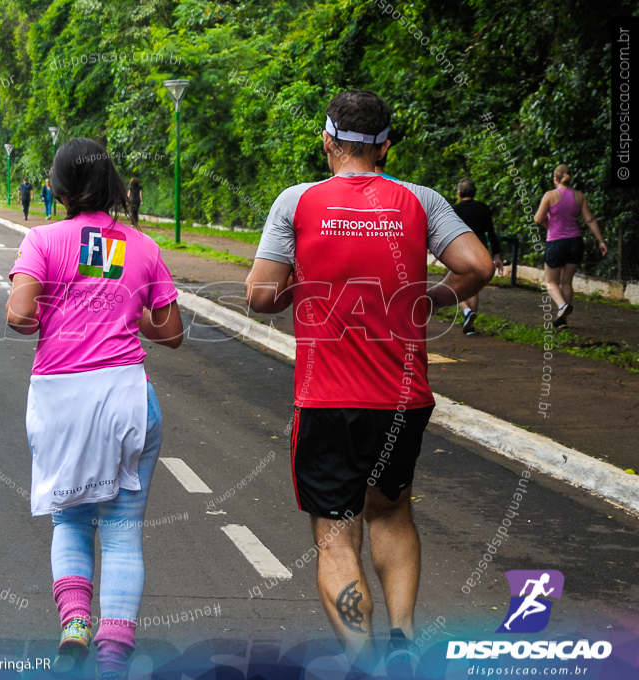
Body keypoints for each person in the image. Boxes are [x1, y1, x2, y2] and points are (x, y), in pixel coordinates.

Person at [246, 90, 494, 676]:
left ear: (327, 141)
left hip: (327, 396)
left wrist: (299, 291)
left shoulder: (298, 202)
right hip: (403, 397)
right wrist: (429, 299)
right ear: (385, 146)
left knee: (335, 535)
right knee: (392, 512)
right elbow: (478, 266)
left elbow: (259, 296)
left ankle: (363, 660)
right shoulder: (419, 200)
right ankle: (404, 639)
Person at [5, 138, 183, 680]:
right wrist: (128, 317)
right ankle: (113, 656)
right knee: (124, 528)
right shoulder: (142, 246)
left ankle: (75, 625)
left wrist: (52, 315)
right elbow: (170, 332)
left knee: (71, 517)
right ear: (110, 183)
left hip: (60, 397)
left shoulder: (40, 239)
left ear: (57, 188)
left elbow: (19, 317)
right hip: (127, 396)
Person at [534, 164, 608, 328]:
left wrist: (548, 223)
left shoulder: (550, 195)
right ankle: (562, 320)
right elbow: (590, 220)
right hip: (576, 243)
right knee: (566, 282)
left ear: (555, 178)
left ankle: (562, 306)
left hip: (556, 243)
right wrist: (601, 241)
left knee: (551, 282)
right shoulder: (579, 196)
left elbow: (538, 218)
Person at [453, 179, 504, 334]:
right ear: (474, 193)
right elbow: (491, 233)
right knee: (473, 287)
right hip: (481, 250)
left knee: (455, 287)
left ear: (459, 194)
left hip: (462, 249)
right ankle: (471, 324)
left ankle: (467, 312)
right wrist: (497, 255)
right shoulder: (483, 208)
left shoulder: (455, 210)